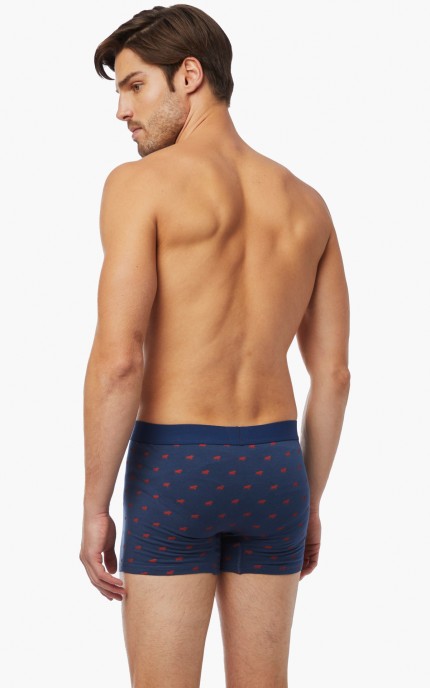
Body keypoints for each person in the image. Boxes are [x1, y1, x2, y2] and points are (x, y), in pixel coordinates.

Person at [79, 4, 351, 687]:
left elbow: (119, 360)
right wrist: (310, 500)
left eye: (135, 85)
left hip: (178, 467)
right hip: (276, 470)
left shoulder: (139, 186)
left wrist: (94, 505)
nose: (122, 110)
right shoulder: (307, 203)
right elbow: (334, 376)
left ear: (190, 76)